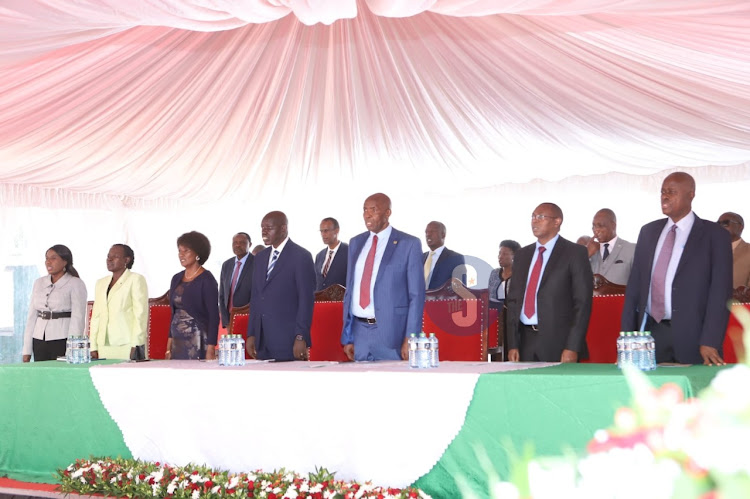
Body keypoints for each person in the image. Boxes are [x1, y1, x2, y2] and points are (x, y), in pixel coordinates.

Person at [622, 172, 732, 365]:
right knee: (649, 394)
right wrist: (627, 337)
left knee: (694, 394)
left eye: (671, 192)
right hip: (650, 335)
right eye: (663, 192)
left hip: (695, 337)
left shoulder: (715, 235)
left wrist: (710, 341)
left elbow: (720, 293)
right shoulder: (648, 232)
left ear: (691, 194)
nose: (664, 196)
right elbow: (634, 287)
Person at [341, 193, 425, 361]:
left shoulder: (409, 244)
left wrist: (411, 336)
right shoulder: (355, 243)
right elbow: (351, 290)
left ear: (388, 213)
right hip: (360, 333)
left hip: (391, 333)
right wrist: (348, 336)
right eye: (365, 210)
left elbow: (417, 295)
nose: (367, 214)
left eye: (373, 209)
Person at [506, 203, 593, 362]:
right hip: (525, 341)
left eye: (540, 217)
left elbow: (582, 303)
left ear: (557, 221)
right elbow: (513, 301)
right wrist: (512, 344)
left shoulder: (574, 253)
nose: (534, 221)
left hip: (559, 342)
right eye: (533, 217)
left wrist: (572, 347)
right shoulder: (522, 255)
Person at [246, 211, 315, 361]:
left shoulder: (301, 256)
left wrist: (300, 336)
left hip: (288, 339)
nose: (264, 231)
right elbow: (256, 298)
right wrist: (251, 333)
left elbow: (306, 300)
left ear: (283, 228)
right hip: (262, 339)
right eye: (262, 227)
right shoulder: (260, 258)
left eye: (269, 227)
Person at [22, 245, 87, 362]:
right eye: (47, 258)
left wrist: (72, 349)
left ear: (65, 261)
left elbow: (78, 318)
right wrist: (26, 350)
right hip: (39, 339)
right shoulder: (39, 283)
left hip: (62, 339)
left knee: (60, 377)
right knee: (41, 376)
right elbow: (31, 317)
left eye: (53, 258)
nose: (48, 262)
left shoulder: (75, 283)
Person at [166, 231, 219, 360]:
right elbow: (173, 314)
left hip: (197, 340)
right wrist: (168, 347)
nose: (181, 255)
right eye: (179, 251)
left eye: (186, 251)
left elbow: (213, 316)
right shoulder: (176, 278)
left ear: (197, 254)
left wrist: (211, 348)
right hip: (177, 340)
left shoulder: (207, 280)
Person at [89, 244, 148, 360]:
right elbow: (96, 316)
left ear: (126, 260)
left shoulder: (135, 279)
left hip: (127, 343)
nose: (109, 259)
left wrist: (136, 344)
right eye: (108, 256)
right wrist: (93, 346)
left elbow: (140, 315)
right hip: (103, 345)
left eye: (115, 256)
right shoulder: (100, 283)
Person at [586, 208, 635, 285]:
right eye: (594, 226)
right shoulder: (588, 252)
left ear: (613, 225)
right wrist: (586, 254)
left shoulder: (632, 250)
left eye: (600, 226)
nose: (596, 230)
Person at [218, 232, 254, 328]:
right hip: (230, 320)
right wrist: (226, 322)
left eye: (242, 242)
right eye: (234, 243)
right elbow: (222, 295)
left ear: (250, 245)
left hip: (250, 320)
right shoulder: (226, 265)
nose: (237, 245)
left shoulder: (257, 263)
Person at [423, 221, 466, 290]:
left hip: (442, 300)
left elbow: (460, 290)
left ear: (443, 235)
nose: (428, 234)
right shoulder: (419, 258)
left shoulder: (455, 259)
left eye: (432, 231)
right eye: (426, 232)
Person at [717, 212, 750, 288]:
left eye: (725, 223)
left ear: (740, 227)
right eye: (718, 223)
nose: (720, 226)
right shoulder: (707, 249)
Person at [315, 217, 348, 291]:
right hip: (319, 301)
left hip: (341, 301)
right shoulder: (319, 256)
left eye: (326, 231)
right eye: (321, 231)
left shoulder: (348, 252)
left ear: (337, 231)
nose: (323, 234)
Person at [488, 240, 521, 304]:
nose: (500, 257)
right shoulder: (494, 273)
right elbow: (489, 297)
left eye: (504, 254)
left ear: (514, 256)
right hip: (495, 312)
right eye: (499, 253)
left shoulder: (522, 275)